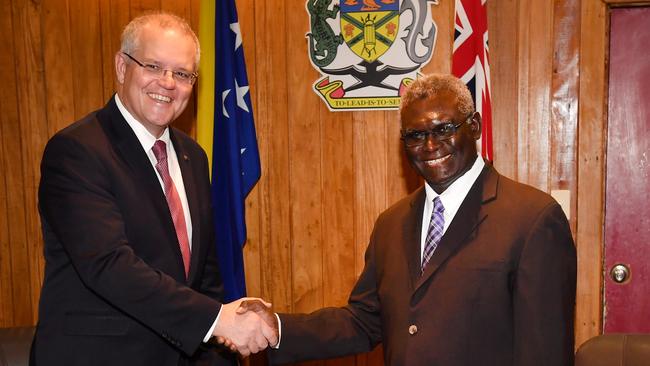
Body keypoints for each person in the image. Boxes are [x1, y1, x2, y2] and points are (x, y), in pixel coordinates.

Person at [241, 73, 577, 365]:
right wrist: (277, 328)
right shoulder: (392, 223)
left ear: (473, 126)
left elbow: (544, 353)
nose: (431, 145)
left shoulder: (533, 219)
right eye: (416, 135)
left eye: (444, 129)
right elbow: (363, 321)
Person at [30, 12, 276, 365]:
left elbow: (203, 276)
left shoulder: (193, 156)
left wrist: (225, 333)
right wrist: (215, 320)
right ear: (121, 66)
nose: (168, 83)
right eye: (153, 66)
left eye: (182, 73)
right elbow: (109, 265)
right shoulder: (77, 151)